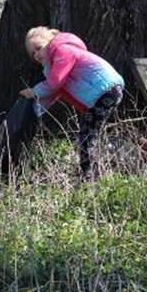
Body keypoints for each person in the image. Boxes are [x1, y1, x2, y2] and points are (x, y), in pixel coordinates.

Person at [19, 26, 124, 180]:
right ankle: (94, 173)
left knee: (87, 136)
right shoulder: (54, 63)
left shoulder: (62, 51)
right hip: (102, 94)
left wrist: (34, 91)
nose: (36, 54)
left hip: (105, 90)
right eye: (33, 53)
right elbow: (54, 92)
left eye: (38, 48)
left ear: (51, 41)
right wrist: (36, 109)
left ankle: (90, 178)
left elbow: (54, 84)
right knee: (93, 132)